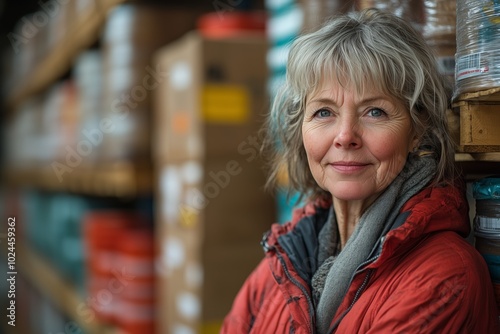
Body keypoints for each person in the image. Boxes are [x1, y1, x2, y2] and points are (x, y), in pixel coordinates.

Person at [221, 8, 499, 334]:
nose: (345, 136)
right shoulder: (283, 261)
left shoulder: (446, 277)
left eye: (375, 112)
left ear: (416, 131)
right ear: (300, 130)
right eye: (324, 111)